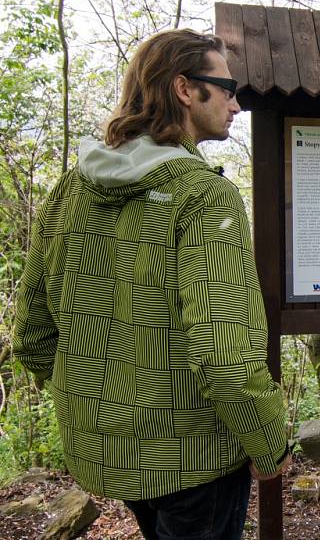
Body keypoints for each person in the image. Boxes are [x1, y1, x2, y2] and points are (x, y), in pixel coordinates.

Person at [13, 29, 289, 540]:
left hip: (109, 452)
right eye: (226, 87)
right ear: (185, 89)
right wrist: (269, 443)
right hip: (195, 456)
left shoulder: (73, 187)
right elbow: (224, 355)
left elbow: (31, 327)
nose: (236, 102)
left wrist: (90, 401)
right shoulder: (202, 196)